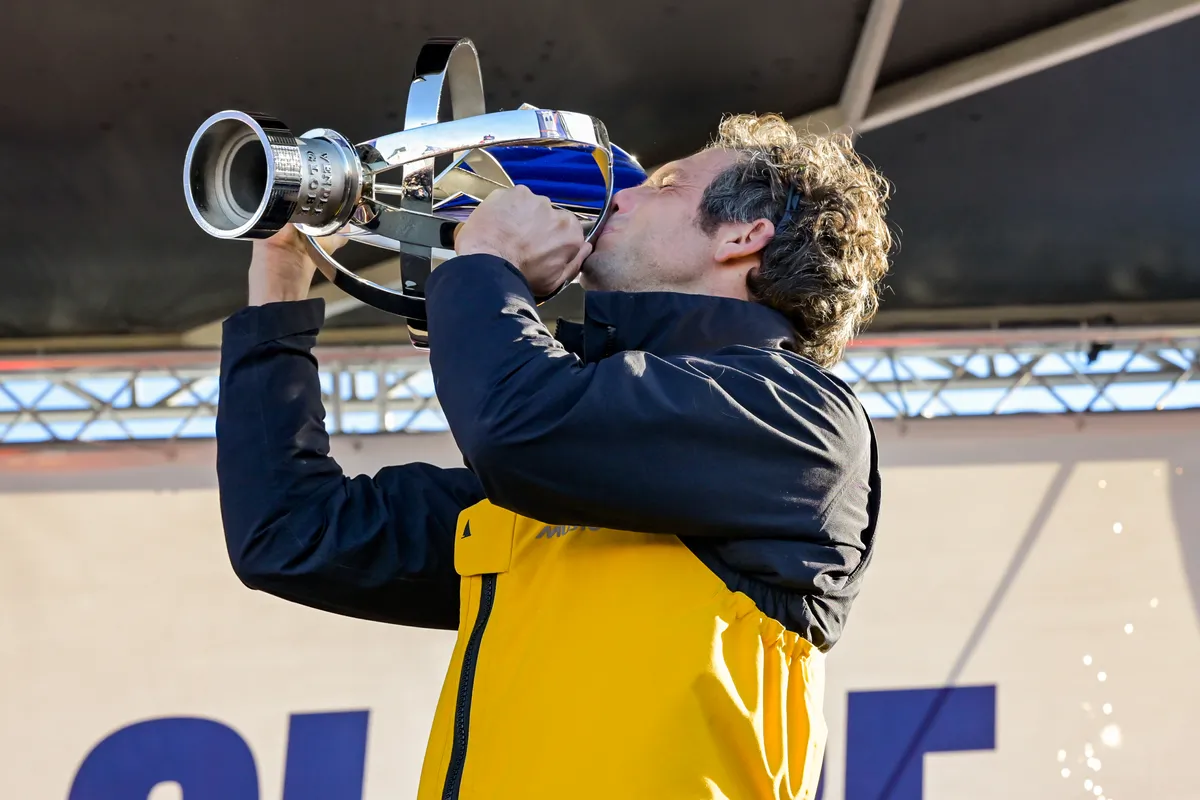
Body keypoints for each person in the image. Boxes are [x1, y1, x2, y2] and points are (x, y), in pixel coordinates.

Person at [216, 113, 892, 799]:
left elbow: (519, 425)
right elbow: (290, 531)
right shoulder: (560, 484)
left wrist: (487, 266)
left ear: (744, 237)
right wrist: (282, 270)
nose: (620, 197)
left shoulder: (803, 419)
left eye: (663, 186)